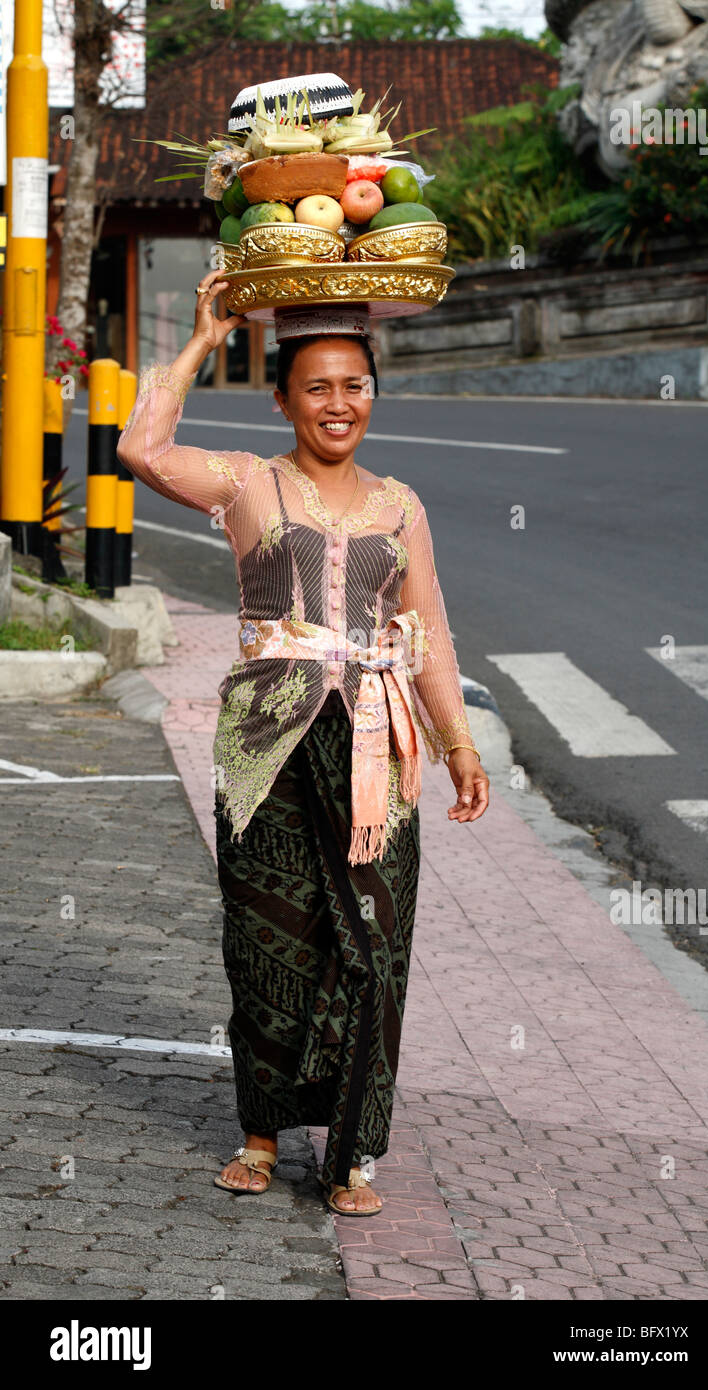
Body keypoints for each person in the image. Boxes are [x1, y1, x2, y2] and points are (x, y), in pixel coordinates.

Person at [117, 268, 490, 1216]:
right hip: (267, 747)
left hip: (375, 749)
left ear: (373, 393)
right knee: (268, 943)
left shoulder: (401, 508)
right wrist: (204, 338)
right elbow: (139, 446)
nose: (338, 403)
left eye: (354, 385)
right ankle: (258, 1135)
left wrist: (459, 745)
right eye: (317, 386)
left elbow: (430, 631)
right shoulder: (246, 484)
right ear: (283, 396)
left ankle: (351, 1153)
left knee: (372, 942)